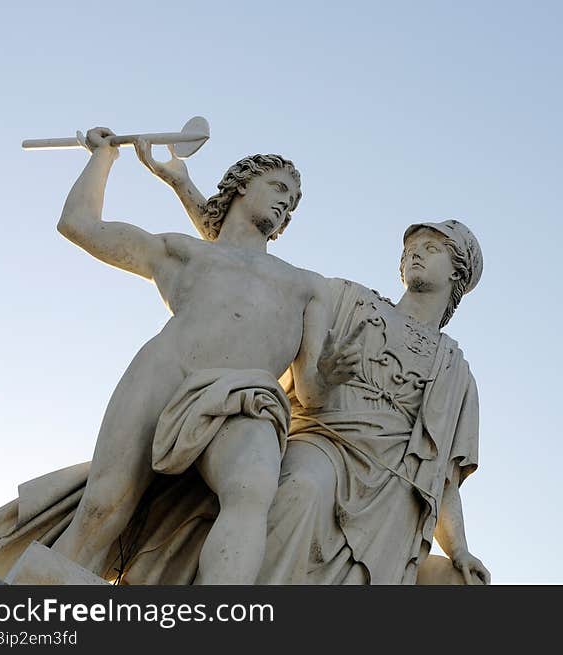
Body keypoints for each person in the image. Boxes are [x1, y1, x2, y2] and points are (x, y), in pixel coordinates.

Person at [136, 144, 489, 583]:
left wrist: (460, 549)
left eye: (433, 248)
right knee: (301, 490)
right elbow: (244, 261)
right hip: (324, 444)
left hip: (394, 497)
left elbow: (443, 480)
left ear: (458, 273)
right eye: (412, 247)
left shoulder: (455, 372)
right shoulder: (348, 299)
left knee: (455, 583)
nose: (415, 253)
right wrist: (182, 184)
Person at [48, 128, 355, 584]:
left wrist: (326, 378)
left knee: (252, 489)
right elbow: (79, 225)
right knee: (103, 506)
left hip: (245, 397)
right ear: (241, 185)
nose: (285, 204)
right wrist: (103, 156)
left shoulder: (308, 286)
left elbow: (308, 391)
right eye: (278, 188)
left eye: (292, 203)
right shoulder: (184, 252)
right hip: (166, 372)